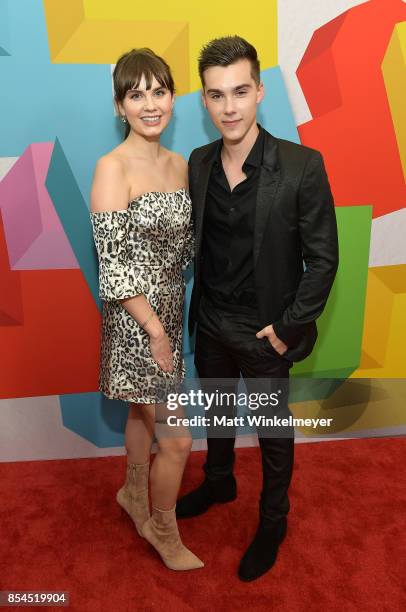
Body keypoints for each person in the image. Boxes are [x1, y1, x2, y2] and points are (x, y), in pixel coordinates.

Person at [176, 36, 339, 581]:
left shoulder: (301, 166)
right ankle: (220, 479)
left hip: (267, 328)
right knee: (219, 412)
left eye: (240, 92)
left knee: (272, 433)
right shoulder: (198, 163)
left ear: (260, 92)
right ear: (203, 100)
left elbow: (323, 260)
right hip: (212, 320)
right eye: (217, 95)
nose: (229, 107)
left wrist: (289, 326)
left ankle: (274, 519)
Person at [89, 48, 203, 571]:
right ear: (120, 106)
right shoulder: (111, 168)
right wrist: (156, 329)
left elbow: (185, 251)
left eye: (159, 91)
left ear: (173, 98)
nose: (150, 104)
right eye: (136, 94)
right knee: (177, 438)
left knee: (141, 410)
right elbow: (114, 266)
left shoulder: (180, 164)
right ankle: (163, 528)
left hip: (169, 312)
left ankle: (133, 492)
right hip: (137, 320)